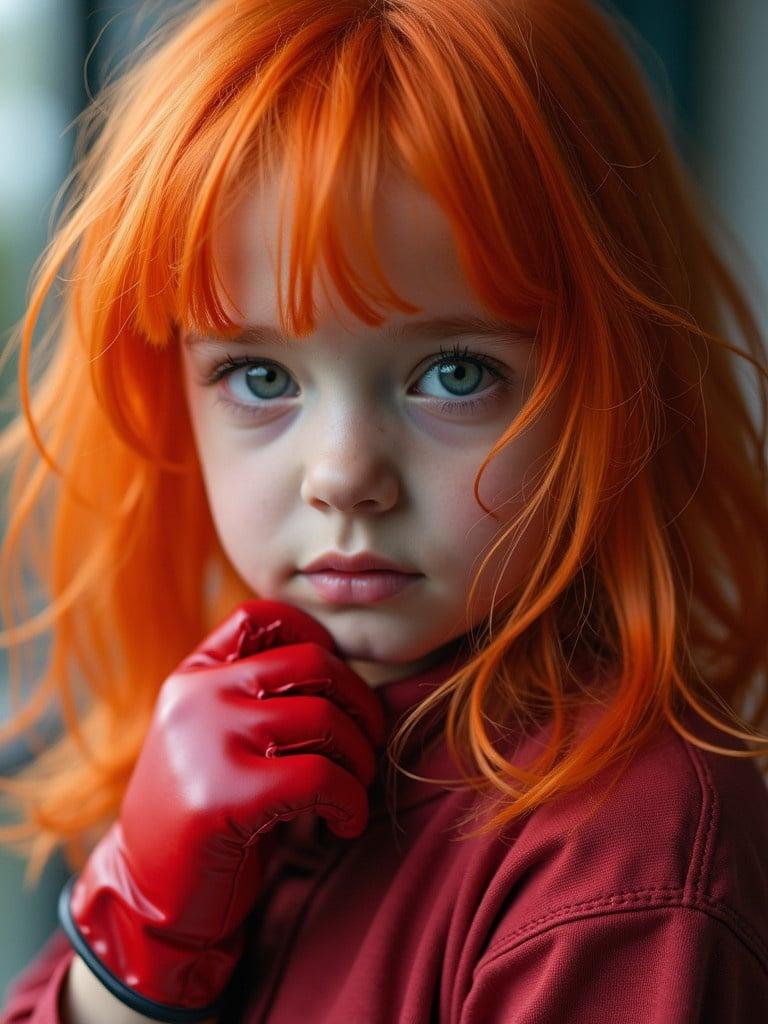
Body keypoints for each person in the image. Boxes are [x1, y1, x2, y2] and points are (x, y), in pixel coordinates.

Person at [1, 0, 767, 1020]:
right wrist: (139, 945)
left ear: (616, 383)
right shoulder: (237, 750)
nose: (343, 474)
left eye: (455, 372)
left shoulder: (624, 852)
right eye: (260, 376)